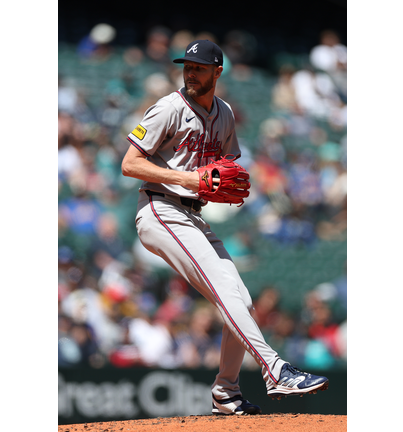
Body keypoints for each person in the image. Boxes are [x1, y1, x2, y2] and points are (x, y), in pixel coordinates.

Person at [121, 39, 329, 416]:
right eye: (187, 66)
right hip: (159, 209)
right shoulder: (168, 108)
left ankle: (226, 391)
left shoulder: (226, 114)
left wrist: (218, 184)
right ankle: (275, 370)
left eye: (199, 68)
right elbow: (130, 164)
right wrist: (187, 180)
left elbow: (226, 167)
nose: (190, 73)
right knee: (223, 288)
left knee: (242, 300)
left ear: (217, 72)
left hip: (192, 215)